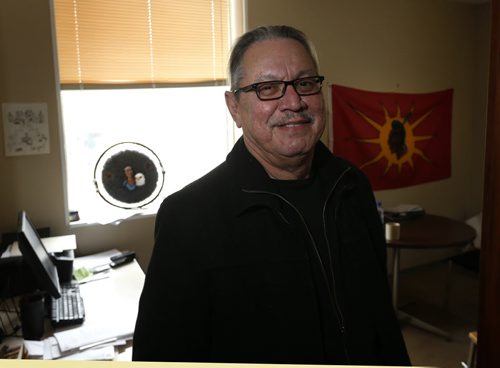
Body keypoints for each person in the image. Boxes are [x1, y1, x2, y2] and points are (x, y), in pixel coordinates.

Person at [133, 25, 410, 366]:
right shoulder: (188, 217)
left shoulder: (353, 186)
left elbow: (380, 315)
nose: (293, 102)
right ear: (234, 107)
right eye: (268, 88)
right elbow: (162, 354)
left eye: (305, 83)